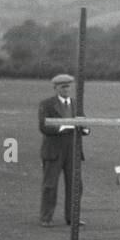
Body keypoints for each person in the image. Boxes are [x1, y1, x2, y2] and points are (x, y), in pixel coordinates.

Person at [38, 74, 89, 227]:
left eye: (68, 86)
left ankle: (72, 217)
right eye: (63, 87)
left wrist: (86, 129)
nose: (66, 89)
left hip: (73, 150)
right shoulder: (46, 104)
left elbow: (85, 123)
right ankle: (46, 218)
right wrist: (64, 126)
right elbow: (44, 126)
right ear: (55, 88)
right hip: (54, 150)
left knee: (76, 186)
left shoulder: (75, 104)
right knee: (50, 185)